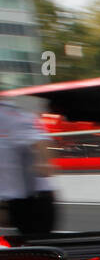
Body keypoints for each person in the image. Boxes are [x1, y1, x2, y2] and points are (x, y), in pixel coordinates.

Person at [0, 90, 57, 236]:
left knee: (37, 245)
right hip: (12, 198)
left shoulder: (11, 114)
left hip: (32, 198)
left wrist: (44, 162)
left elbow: (37, 138)